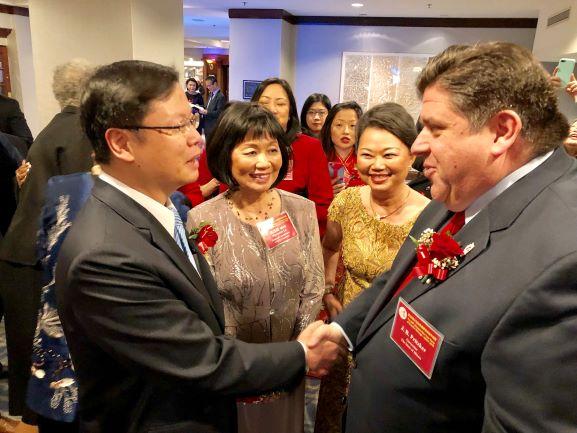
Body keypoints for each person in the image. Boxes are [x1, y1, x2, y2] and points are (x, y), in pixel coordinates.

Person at [55, 60, 344, 433]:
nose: (196, 138)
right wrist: (302, 354)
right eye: (177, 126)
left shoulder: (162, 210)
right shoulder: (105, 254)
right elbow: (201, 359)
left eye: (192, 121)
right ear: (122, 143)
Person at [316, 42, 577, 433]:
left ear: (502, 131)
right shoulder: (458, 188)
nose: (418, 145)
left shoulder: (565, 259)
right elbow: (399, 281)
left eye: (435, 129)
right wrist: (339, 331)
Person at [188, 102, 324, 433]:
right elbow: (207, 303)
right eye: (251, 151)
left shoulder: (301, 210)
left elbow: (313, 286)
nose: (264, 162)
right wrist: (242, 367)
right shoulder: (203, 219)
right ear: (226, 155)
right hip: (235, 373)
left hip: (290, 367)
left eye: (272, 150)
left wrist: (294, 353)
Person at [314, 103, 429, 433]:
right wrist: (327, 291)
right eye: (367, 155)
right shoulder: (347, 202)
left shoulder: (430, 216)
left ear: (411, 155)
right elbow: (330, 247)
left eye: (389, 155)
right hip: (346, 328)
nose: (377, 165)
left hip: (394, 340)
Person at [0, 59, 94, 427]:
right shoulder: (82, 133)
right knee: (50, 365)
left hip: (20, 251)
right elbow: (76, 204)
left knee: (34, 360)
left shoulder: (54, 128)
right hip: (40, 259)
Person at [251, 78, 333, 236]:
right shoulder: (240, 145)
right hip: (245, 231)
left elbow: (322, 206)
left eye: (280, 104)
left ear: (290, 112)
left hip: (296, 235)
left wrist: (277, 229)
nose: (272, 109)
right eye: (264, 103)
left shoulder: (310, 147)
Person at [320, 102, 364, 196]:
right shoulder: (317, 158)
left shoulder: (366, 160)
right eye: (339, 125)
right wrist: (325, 193)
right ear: (329, 128)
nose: (346, 131)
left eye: (353, 126)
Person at [199, 74, 226, 140]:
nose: (208, 87)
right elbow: (207, 106)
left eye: (209, 85)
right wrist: (199, 106)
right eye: (207, 86)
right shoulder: (211, 94)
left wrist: (206, 112)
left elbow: (219, 113)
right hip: (207, 125)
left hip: (213, 126)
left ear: (215, 84)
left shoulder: (220, 96)